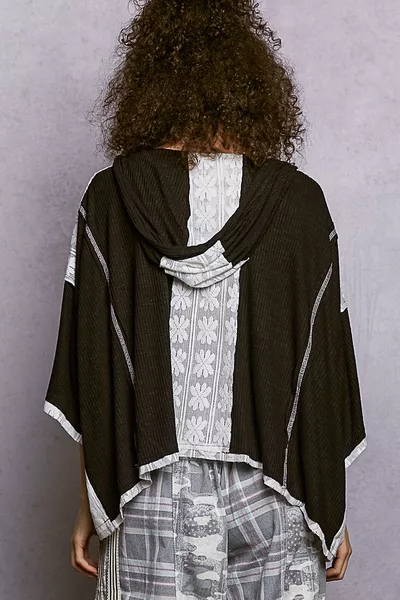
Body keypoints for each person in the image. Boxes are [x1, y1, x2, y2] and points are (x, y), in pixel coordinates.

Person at [44, 1, 367, 599]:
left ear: (148, 83)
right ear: (252, 86)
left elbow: (93, 367)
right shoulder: (302, 205)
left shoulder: (109, 200)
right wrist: (332, 509)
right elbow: (322, 371)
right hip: (279, 494)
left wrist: (90, 504)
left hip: (146, 496)